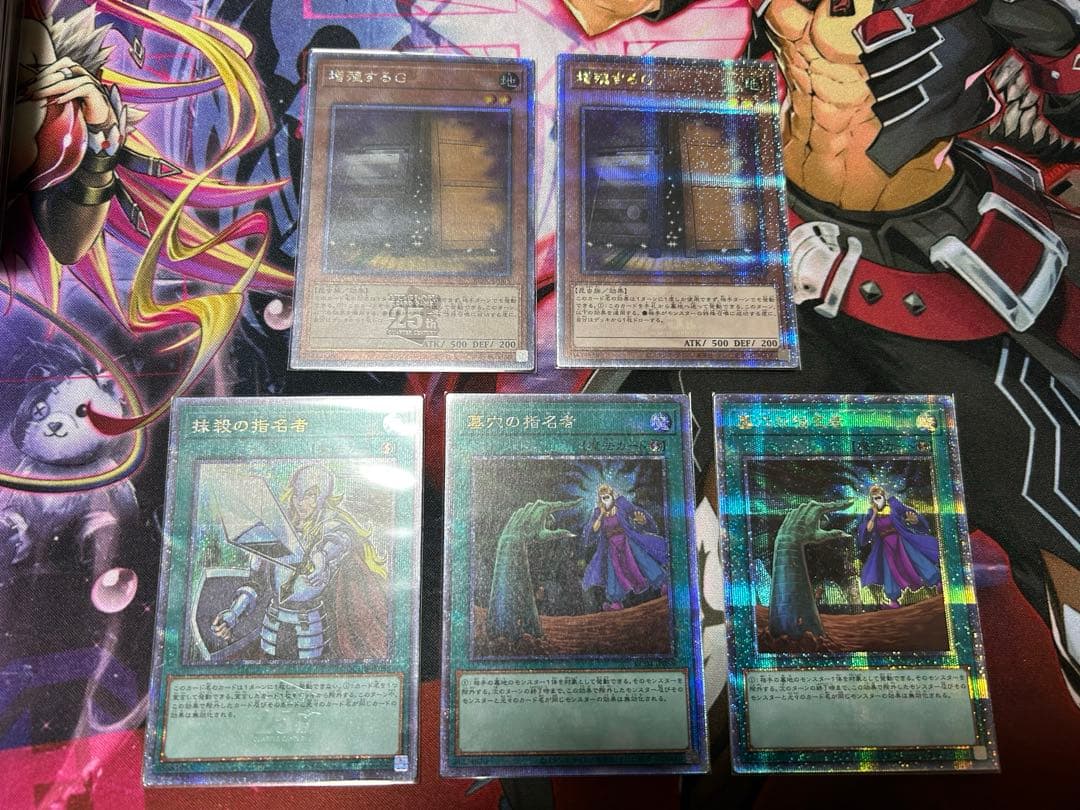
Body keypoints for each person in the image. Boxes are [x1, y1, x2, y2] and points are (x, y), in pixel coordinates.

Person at [212, 464, 388, 660]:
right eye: (297, 494)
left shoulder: (330, 527)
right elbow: (256, 584)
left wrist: (322, 556)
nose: (301, 502)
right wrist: (233, 614)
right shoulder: (277, 529)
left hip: (311, 630)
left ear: (322, 498)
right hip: (272, 627)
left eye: (310, 495)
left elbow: (341, 539)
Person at [581, 484, 669, 610]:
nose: (606, 500)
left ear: (612, 496)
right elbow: (593, 529)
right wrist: (601, 515)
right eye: (603, 498)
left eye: (607, 497)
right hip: (612, 546)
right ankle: (615, 602)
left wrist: (642, 520)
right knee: (614, 572)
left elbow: (635, 513)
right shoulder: (598, 512)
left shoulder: (621, 504)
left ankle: (663, 584)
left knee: (642, 559)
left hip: (627, 540)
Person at [858, 485, 942, 609]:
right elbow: (868, 529)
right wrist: (874, 515)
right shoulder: (871, 513)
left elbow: (909, 513)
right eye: (875, 498)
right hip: (886, 546)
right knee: (889, 570)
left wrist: (914, 520)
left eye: (879, 497)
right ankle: (893, 599)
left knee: (916, 558)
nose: (878, 500)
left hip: (900, 540)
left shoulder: (893, 505)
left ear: (884, 497)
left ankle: (937, 582)